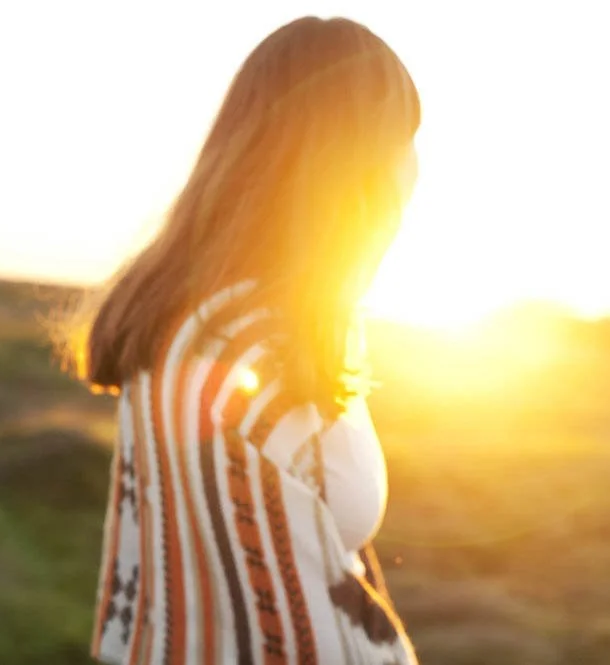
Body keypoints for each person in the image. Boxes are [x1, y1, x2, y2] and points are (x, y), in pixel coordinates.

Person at [57, 15, 421, 665]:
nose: (413, 168)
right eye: (404, 139)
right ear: (353, 158)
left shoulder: (198, 319)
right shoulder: (253, 345)